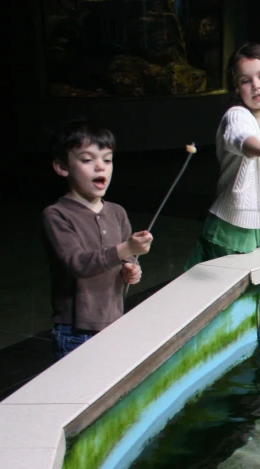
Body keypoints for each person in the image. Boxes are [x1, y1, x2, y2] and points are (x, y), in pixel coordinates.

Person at [42, 120, 153, 359]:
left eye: (107, 159)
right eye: (87, 160)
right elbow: (78, 263)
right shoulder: (57, 215)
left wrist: (132, 268)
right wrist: (126, 249)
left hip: (113, 321)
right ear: (62, 167)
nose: (100, 167)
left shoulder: (117, 212)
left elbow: (129, 258)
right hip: (75, 330)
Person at [185, 42, 260, 270]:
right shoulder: (236, 115)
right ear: (236, 88)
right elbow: (239, 137)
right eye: (246, 81)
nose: (256, 86)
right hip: (230, 232)